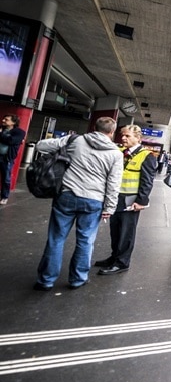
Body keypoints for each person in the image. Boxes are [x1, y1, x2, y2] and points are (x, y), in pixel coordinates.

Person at [33, 118, 123, 291]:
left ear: (94, 128)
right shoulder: (116, 154)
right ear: (112, 132)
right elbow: (113, 183)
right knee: (85, 241)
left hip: (66, 196)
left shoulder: (76, 140)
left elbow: (41, 146)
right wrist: (109, 208)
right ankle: (77, 279)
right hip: (93, 200)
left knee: (56, 239)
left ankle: (46, 280)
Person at [95, 125, 157, 275]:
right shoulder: (120, 152)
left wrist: (141, 201)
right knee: (115, 230)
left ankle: (122, 262)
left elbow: (147, 181)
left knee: (126, 232)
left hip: (131, 200)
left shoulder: (147, 156)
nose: (123, 138)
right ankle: (114, 256)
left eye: (127, 136)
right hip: (116, 198)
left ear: (138, 138)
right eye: (122, 135)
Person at [0, 114, 26, 205]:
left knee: (6, 178)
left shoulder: (19, 132)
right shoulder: (2, 129)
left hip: (6, 158)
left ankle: (4, 196)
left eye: (6, 119)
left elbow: (11, 141)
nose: (3, 120)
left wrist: (1, 135)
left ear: (13, 122)